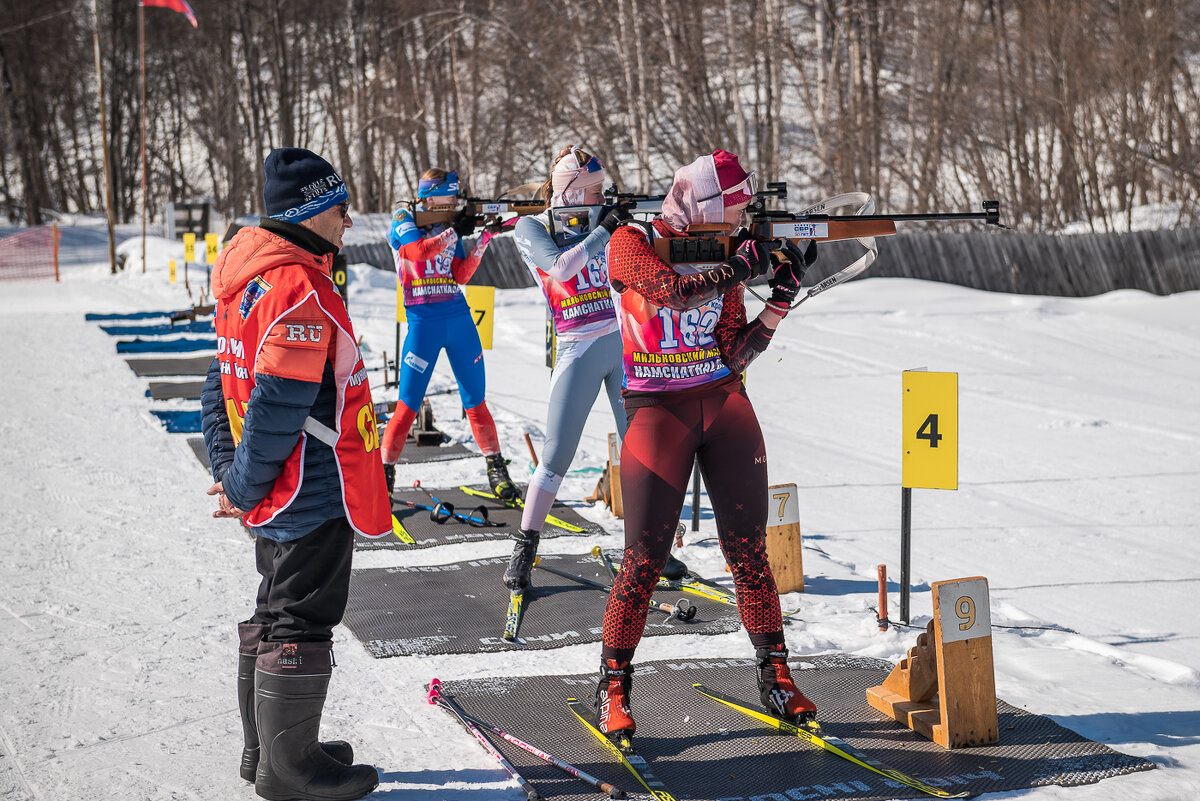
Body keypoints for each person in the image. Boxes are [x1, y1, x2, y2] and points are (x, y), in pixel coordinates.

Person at [593, 150, 819, 737]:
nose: (742, 225)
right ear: (706, 204)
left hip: (722, 400)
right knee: (643, 558)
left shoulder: (725, 251)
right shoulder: (629, 241)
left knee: (749, 550)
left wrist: (778, 302)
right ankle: (613, 683)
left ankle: (776, 674)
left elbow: (733, 352)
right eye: (734, 211)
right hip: (655, 410)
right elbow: (668, 291)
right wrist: (742, 269)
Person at [201, 147, 390, 801]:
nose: (348, 219)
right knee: (303, 617)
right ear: (312, 211)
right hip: (310, 488)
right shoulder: (296, 286)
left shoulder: (251, 272)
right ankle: (291, 771)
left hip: (278, 489)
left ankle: (271, 752)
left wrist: (234, 475)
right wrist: (241, 481)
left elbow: (218, 382)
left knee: (275, 608)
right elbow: (276, 405)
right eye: (340, 207)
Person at [503, 146, 630, 592]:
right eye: (592, 191)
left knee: (640, 452)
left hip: (623, 346)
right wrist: (607, 229)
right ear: (571, 193)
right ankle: (525, 548)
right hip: (577, 347)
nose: (599, 199)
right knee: (556, 456)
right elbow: (561, 268)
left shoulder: (603, 221)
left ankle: (653, 550)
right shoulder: (531, 227)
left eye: (602, 193)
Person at [378, 168, 518, 500]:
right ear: (431, 195)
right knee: (408, 405)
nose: (455, 200)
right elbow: (415, 253)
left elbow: (461, 275)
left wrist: (483, 240)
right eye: (450, 194)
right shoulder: (404, 217)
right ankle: (385, 471)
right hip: (423, 322)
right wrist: (454, 231)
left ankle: (494, 466)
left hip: (458, 319)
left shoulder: (448, 225)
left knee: (475, 400)